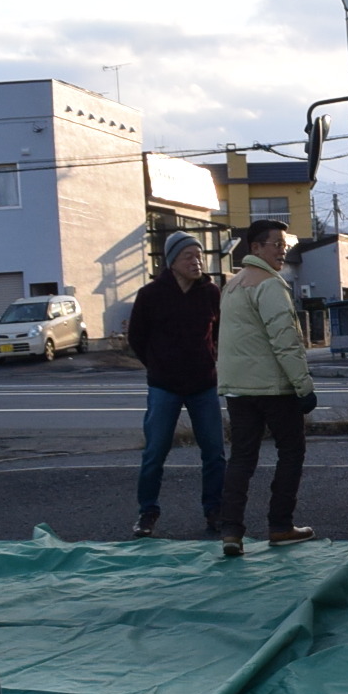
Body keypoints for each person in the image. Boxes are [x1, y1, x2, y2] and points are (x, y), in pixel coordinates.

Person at [214, 219, 317, 556]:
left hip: (238, 388)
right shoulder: (270, 285)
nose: (282, 250)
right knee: (291, 451)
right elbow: (285, 340)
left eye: (285, 245)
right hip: (274, 388)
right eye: (276, 244)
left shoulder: (232, 285)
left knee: (242, 458)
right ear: (255, 247)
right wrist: (303, 387)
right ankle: (280, 525)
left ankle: (231, 531)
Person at [126, 231, 225, 539]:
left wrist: (210, 359)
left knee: (214, 451)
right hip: (164, 385)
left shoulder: (210, 292)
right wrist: (157, 365)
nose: (196, 262)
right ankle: (148, 512)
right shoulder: (151, 294)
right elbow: (136, 337)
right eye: (188, 256)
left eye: (199, 256)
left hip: (203, 383)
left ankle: (215, 510)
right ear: (172, 262)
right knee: (155, 451)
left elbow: (219, 333)